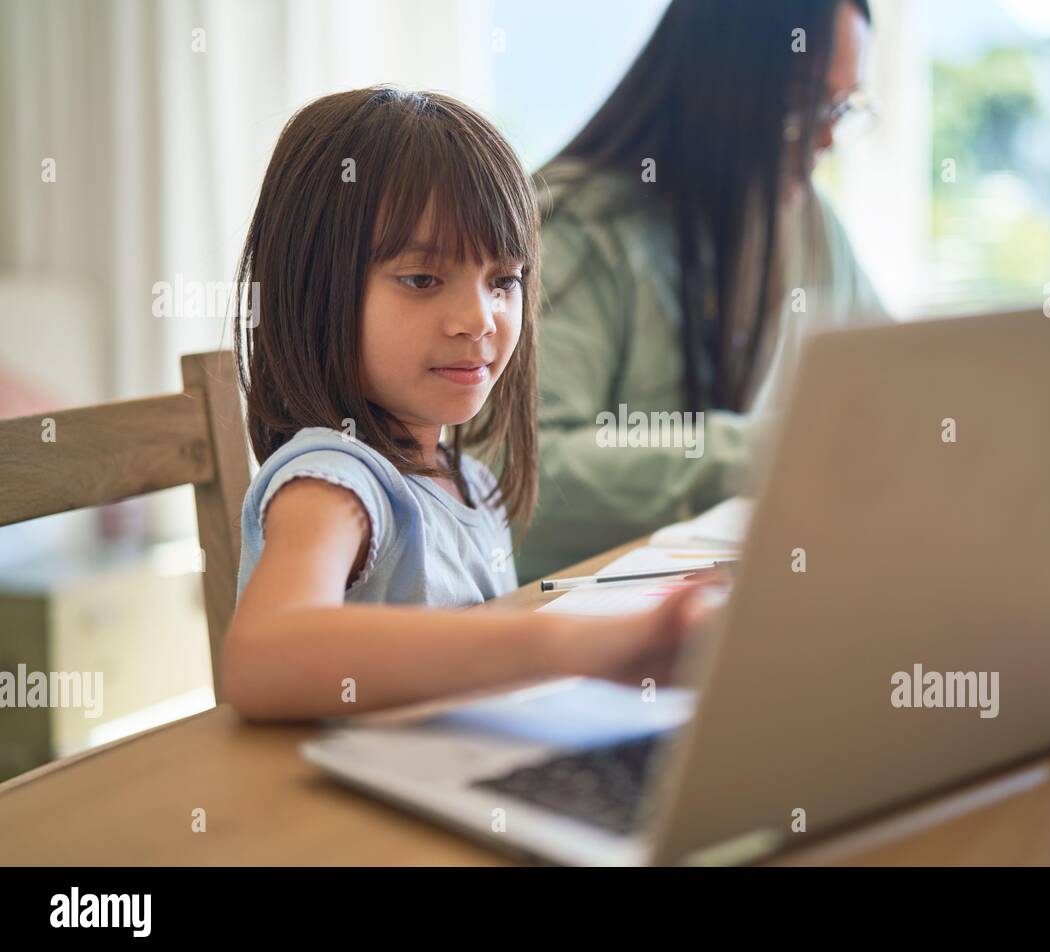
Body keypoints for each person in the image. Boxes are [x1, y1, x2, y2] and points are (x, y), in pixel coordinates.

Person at [226, 88, 706, 721]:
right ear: (313, 290)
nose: (479, 319)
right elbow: (263, 658)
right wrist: (572, 644)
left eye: (503, 280)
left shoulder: (468, 479)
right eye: (423, 280)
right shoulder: (337, 482)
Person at [519, 0, 887, 581]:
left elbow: (894, 384)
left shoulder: (808, 220)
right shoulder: (581, 230)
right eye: (807, 104)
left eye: (842, 107)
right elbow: (526, 465)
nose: (827, 138)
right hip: (571, 621)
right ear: (727, 89)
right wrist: (762, 452)